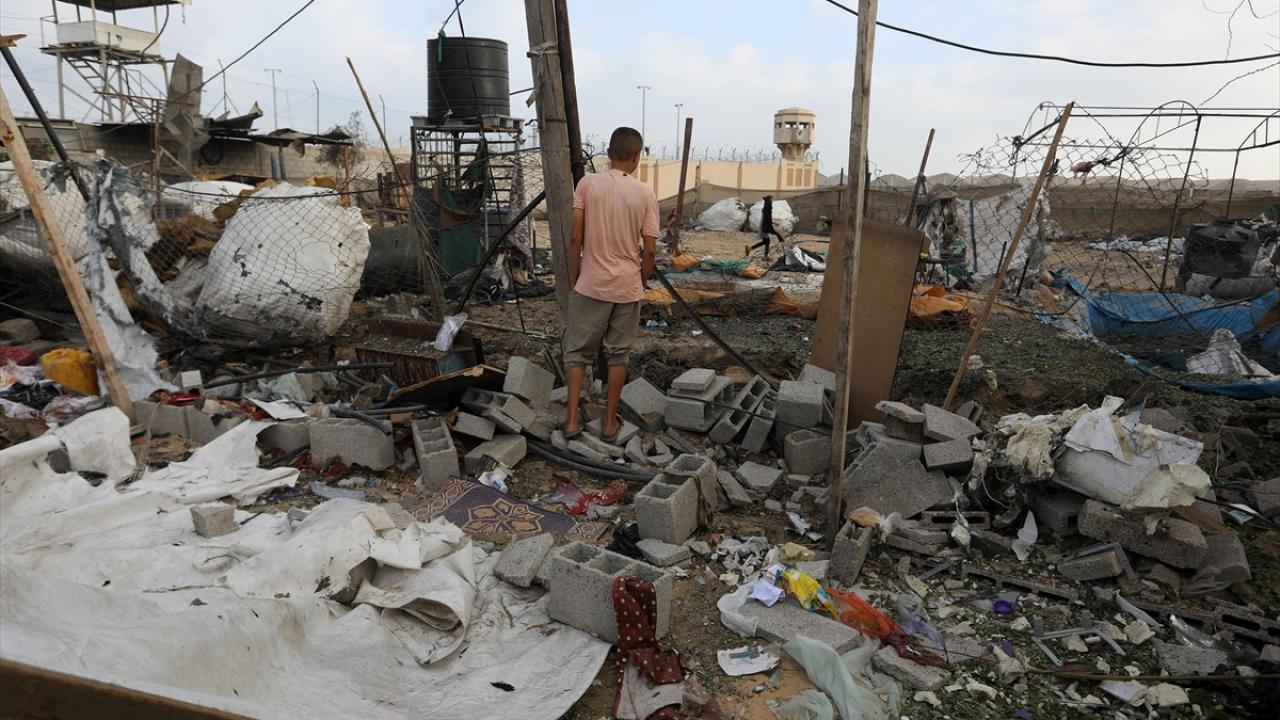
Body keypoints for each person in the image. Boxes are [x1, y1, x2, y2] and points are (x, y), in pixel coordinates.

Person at [562, 126, 658, 439]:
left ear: (608, 153)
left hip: (591, 283)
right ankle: (608, 422)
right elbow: (650, 248)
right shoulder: (645, 193)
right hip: (627, 286)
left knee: (577, 353)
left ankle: (572, 420)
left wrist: (574, 278)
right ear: (637, 157)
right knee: (618, 355)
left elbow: (575, 236)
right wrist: (640, 281)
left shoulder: (587, 184)